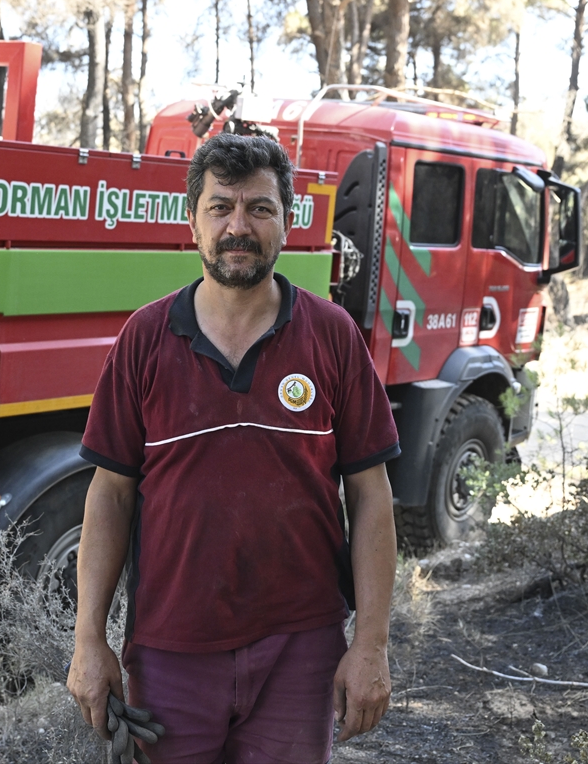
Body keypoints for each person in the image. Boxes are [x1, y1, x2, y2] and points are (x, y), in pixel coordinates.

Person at [67, 133, 400, 764]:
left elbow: (371, 495)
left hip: (302, 647)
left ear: (288, 222)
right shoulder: (144, 338)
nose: (238, 227)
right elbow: (109, 495)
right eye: (220, 208)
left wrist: (371, 645)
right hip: (170, 650)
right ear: (193, 223)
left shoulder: (332, 337)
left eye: (259, 209)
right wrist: (89, 639)